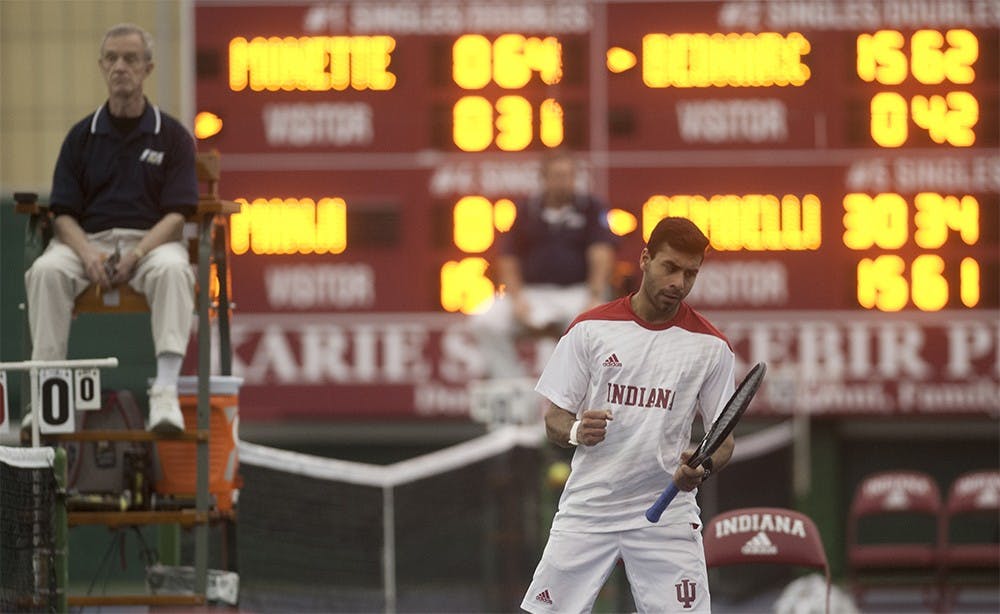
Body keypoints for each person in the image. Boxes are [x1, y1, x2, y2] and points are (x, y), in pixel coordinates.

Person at [521, 217, 737, 613]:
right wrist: (576, 431)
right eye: (669, 267)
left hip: (666, 514)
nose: (679, 283)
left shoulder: (711, 347)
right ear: (644, 259)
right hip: (589, 508)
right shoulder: (590, 330)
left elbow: (723, 443)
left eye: (691, 274)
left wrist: (701, 469)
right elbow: (554, 419)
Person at [24, 23, 198, 433]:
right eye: (113, 59)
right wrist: (87, 254)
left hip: (151, 244)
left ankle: (165, 396)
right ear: (102, 66)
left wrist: (137, 254)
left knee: (176, 270)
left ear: (148, 68)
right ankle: (48, 394)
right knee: (46, 271)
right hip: (88, 244)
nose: (121, 67)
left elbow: (177, 215)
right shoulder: (80, 137)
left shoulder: (172, 136)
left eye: (131, 59)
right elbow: (62, 213)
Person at [474, 150, 617, 379]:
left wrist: (594, 296)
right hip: (533, 293)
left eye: (569, 176)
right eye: (557, 176)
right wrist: (517, 297)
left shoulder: (591, 207)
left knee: (587, 328)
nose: (564, 182)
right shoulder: (526, 210)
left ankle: (572, 400)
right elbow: (509, 258)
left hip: (577, 292)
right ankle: (515, 392)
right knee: (486, 322)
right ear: (544, 178)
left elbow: (601, 253)